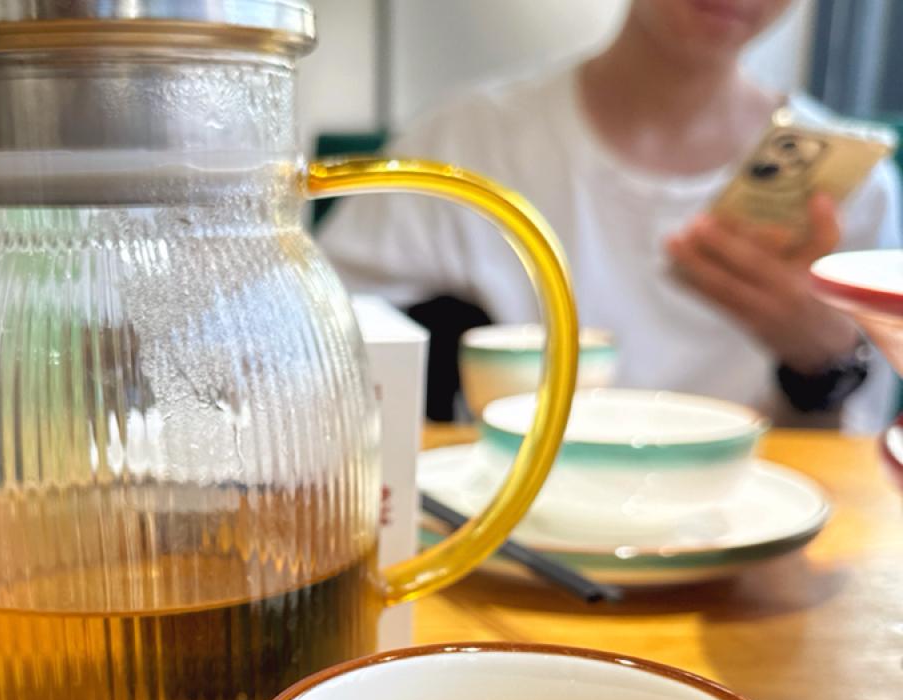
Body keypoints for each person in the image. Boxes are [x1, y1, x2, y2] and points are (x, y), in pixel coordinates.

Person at [319, 0, 902, 431]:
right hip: (504, 513)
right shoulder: (462, 143)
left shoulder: (854, 186)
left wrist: (824, 359)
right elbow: (317, 348)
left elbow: (860, 460)